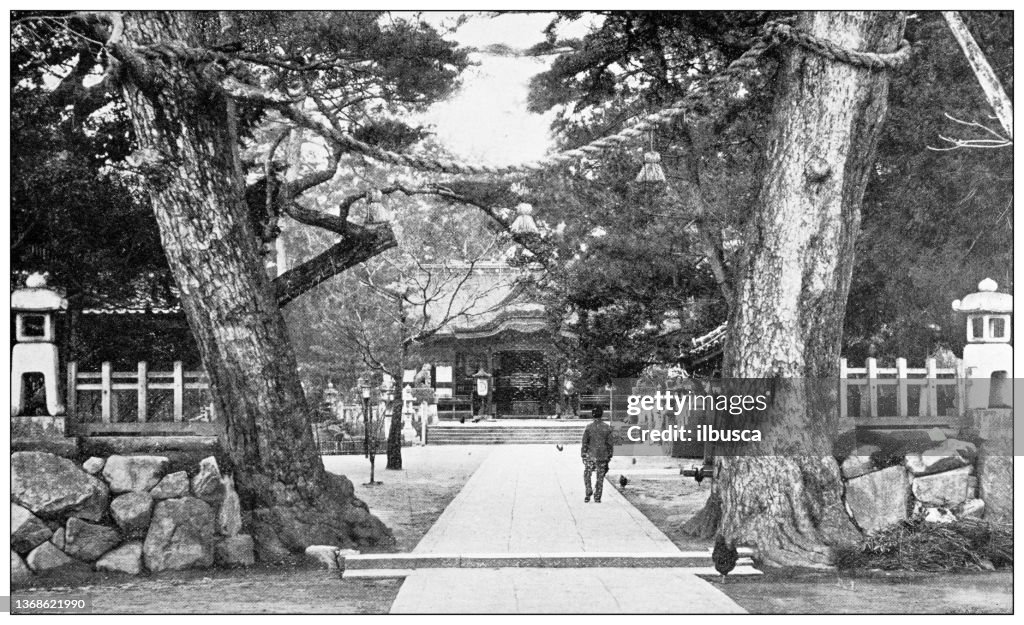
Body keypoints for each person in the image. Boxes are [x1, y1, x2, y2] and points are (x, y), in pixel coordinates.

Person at [581, 405, 614, 503]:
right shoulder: (607, 428)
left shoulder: (589, 428)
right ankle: (597, 495)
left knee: (587, 473)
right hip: (602, 456)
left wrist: (583, 454)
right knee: (600, 477)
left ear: (592, 415)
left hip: (590, 455)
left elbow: (585, 442)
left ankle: (588, 489)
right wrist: (609, 455)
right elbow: (610, 444)